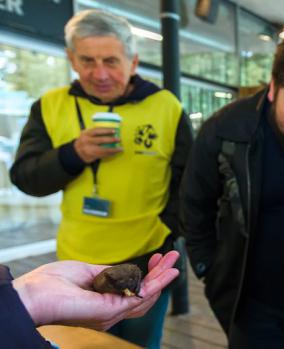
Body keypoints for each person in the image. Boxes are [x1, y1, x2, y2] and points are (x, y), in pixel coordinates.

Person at [9, 9, 193, 348]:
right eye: (87, 61)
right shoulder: (49, 106)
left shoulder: (166, 106)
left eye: (111, 60)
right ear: (71, 60)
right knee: (82, 344)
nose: (100, 73)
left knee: (140, 343)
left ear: (133, 61)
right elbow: (25, 177)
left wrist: (170, 229)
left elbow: (189, 183)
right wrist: (73, 154)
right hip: (75, 262)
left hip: (147, 254)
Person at [180, 28, 284, 348]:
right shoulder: (226, 129)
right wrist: (209, 269)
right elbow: (194, 203)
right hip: (250, 301)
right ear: (273, 89)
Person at [1, 251, 179, 349]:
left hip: (139, 253)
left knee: (142, 337)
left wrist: (26, 296)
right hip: (84, 256)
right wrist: (28, 297)